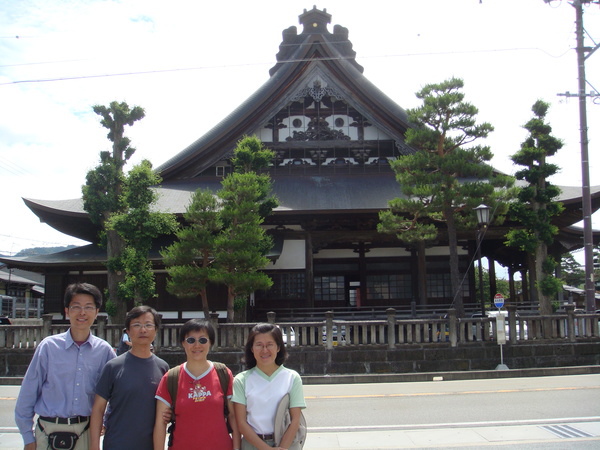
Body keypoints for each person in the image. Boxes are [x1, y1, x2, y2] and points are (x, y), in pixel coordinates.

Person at [14, 282, 116, 450]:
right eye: (76, 307)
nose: (82, 312)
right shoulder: (49, 347)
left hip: (85, 432)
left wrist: (105, 421)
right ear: (67, 311)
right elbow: (28, 392)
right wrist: (27, 437)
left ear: (97, 312)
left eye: (89, 307)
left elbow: (115, 393)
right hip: (47, 430)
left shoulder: (104, 350)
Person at [90, 305, 169, 450]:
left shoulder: (163, 368)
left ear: (156, 330)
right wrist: (94, 446)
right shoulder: (113, 366)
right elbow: (98, 409)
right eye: (137, 325)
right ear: (127, 331)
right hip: (117, 444)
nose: (143, 330)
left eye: (148, 325)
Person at [153, 319, 240, 450]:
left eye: (203, 340)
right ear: (183, 343)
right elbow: (160, 422)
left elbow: (233, 417)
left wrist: (237, 448)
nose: (197, 345)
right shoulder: (171, 377)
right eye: (191, 340)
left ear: (211, 343)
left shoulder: (223, 373)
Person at [232, 323, 306, 450]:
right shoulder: (241, 380)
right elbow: (241, 423)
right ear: (251, 348)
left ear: (278, 347)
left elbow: (295, 420)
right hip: (253, 445)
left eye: (270, 344)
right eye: (259, 345)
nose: (264, 350)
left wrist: (282, 448)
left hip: (286, 444)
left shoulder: (292, 377)